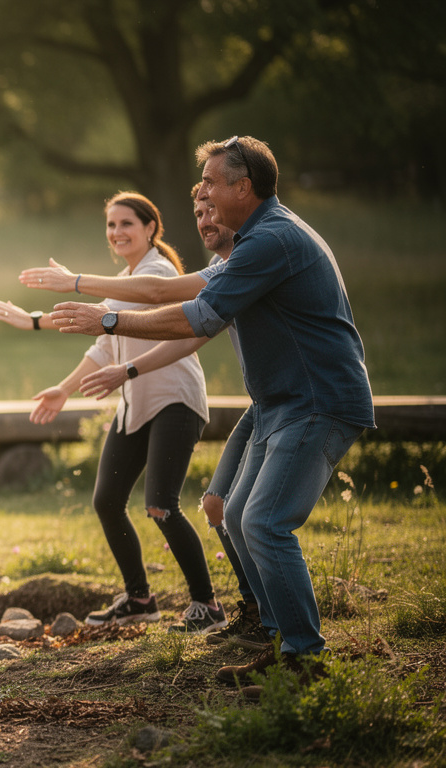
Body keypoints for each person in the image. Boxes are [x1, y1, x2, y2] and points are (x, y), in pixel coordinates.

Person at [47, 137, 375, 699]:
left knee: (264, 522)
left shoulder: (272, 240)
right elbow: (167, 289)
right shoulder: (250, 243)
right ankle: (277, 642)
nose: (202, 190)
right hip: (280, 403)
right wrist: (87, 289)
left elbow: (196, 318)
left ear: (242, 188)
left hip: (317, 400)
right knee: (236, 513)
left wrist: (107, 322)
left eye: (211, 181)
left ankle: (305, 658)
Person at [11, 186, 267, 647]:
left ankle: (207, 605)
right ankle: (140, 600)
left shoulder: (157, 271)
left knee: (160, 505)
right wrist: (63, 390)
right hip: (135, 404)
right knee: (107, 500)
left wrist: (35, 319)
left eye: (126, 223)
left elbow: (111, 312)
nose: (117, 232)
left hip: (174, 400)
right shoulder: (128, 276)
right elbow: (104, 342)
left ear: (151, 229)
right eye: (111, 225)